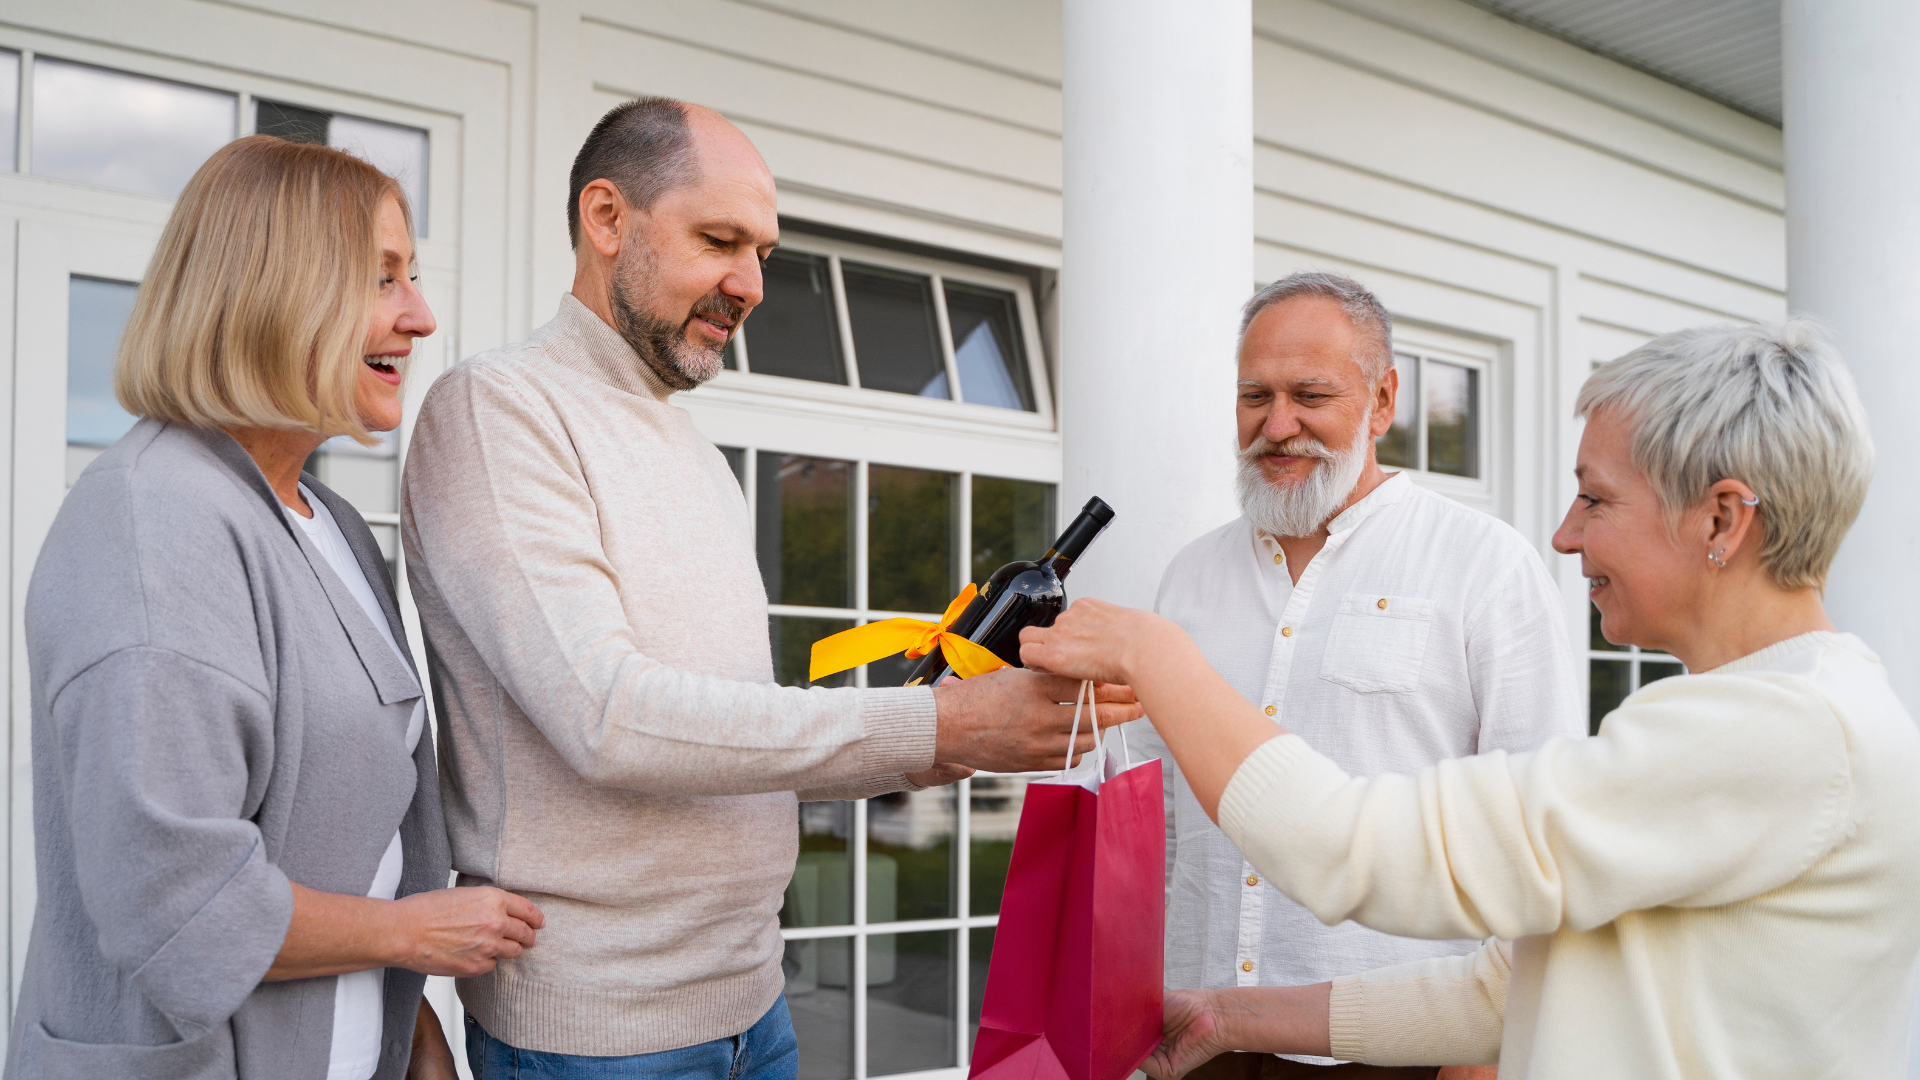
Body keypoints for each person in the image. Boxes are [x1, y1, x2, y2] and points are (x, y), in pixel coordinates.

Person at [400, 97, 1136, 1076]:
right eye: (720, 240)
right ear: (607, 217)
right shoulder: (499, 411)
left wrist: (943, 741)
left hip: (756, 1006)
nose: (750, 284)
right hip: (601, 1036)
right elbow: (607, 717)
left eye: (764, 253)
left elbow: (736, 731)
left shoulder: (694, 450)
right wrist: (945, 728)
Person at [1022, 321, 1920, 1079]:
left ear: (1721, 520)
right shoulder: (1779, 710)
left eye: (1595, 498)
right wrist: (1231, 1018)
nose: (1566, 536)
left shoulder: (1785, 732)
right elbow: (1509, 984)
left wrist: (1154, 653)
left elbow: (1350, 845)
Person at [7, 136, 542, 1080]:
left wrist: (411, 1025)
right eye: (382, 279)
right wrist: (411, 936)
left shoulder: (324, 518)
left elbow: (363, 833)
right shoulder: (152, 523)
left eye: (411, 277)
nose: (419, 316)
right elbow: (175, 899)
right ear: (270, 290)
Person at [1128, 272, 1579, 1080]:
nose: (1278, 424)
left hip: (1396, 1048)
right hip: (1194, 1033)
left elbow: (1537, 830)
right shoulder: (1187, 578)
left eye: (1310, 394)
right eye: (1254, 395)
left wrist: (1482, 1057)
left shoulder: (1486, 565)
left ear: (1383, 400)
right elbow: (1154, 815)